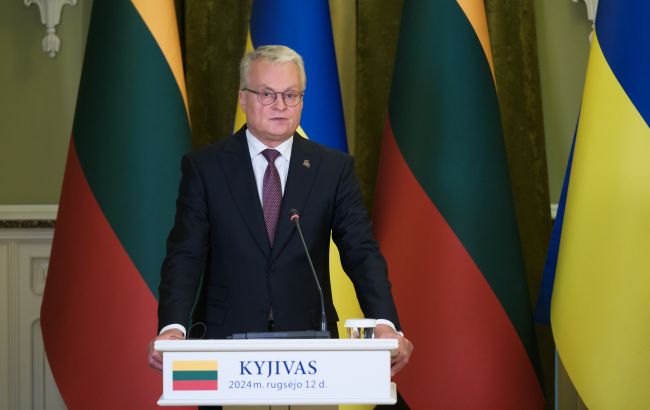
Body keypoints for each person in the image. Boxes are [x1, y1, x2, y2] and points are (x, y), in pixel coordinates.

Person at [147, 45, 413, 377]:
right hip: (223, 342)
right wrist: (172, 326)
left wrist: (385, 323)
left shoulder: (332, 169)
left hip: (312, 347)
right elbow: (185, 255)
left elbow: (361, 251)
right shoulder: (206, 168)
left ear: (301, 101)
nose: (280, 106)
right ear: (243, 99)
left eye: (290, 95)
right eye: (267, 94)